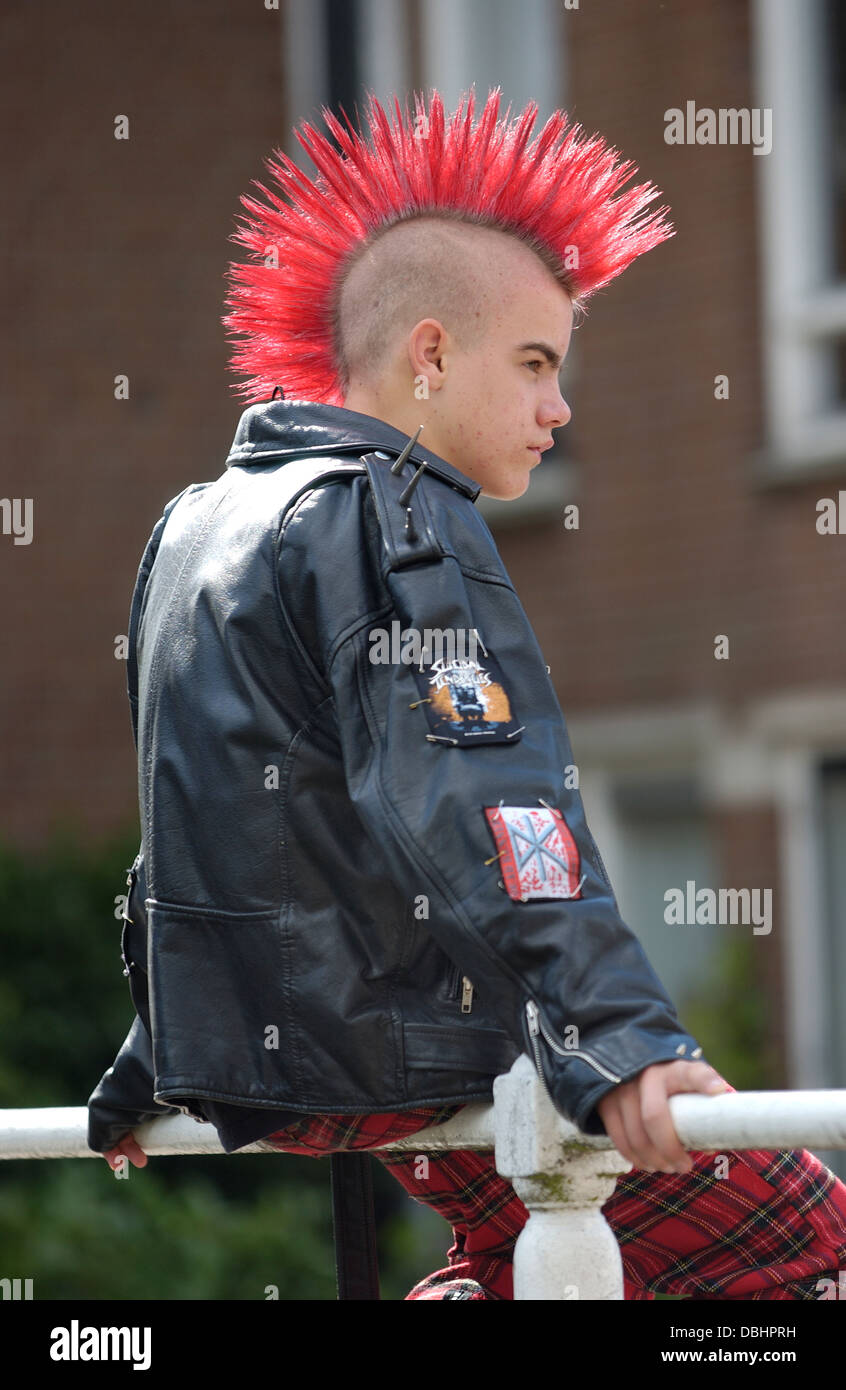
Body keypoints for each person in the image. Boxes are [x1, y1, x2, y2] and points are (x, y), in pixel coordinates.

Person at [87, 88, 846, 1300]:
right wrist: (625, 1039)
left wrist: (158, 1055)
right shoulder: (397, 513)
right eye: (537, 363)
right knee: (810, 1240)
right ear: (431, 354)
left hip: (299, 1078)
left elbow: (198, 822)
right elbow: (484, 794)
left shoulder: (193, 526)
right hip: (427, 1055)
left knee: (511, 1255)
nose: (561, 408)